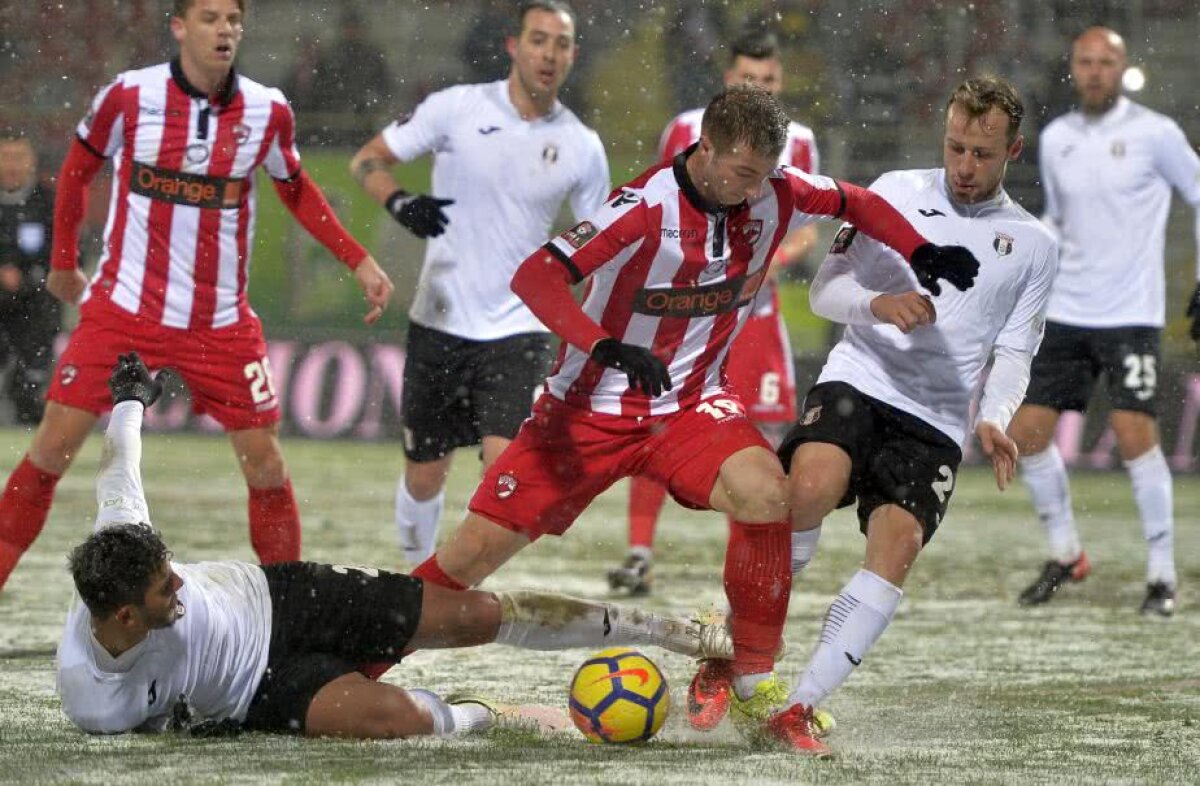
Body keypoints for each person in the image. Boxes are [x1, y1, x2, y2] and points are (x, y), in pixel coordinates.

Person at [402, 84, 980, 741]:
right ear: (704, 149)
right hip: (587, 410)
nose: (750, 189)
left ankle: (754, 684)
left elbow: (857, 201)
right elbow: (536, 275)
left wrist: (920, 252)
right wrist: (605, 346)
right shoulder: (643, 207)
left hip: (690, 404)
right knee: (471, 555)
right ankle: (366, 651)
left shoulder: (776, 190)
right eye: (739, 173)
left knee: (768, 494)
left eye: (762, 175)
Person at [57, 353, 747, 737]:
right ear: (122, 617)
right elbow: (152, 719)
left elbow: (120, 465)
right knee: (397, 720)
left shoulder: (121, 545)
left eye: (172, 569)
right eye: (163, 588)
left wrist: (128, 400)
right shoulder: (94, 705)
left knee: (474, 615)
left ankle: (685, 634)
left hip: (287, 600)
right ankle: (487, 714)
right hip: (258, 696)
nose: (180, 581)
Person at [704, 76, 1056, 755]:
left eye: (982, 154)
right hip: (860, 380)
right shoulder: (894, 191)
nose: (965, 166)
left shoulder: (1033, 244)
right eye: (955, 147)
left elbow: (1016, 347)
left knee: (897, 548)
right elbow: (829, 288)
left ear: (1012, 150)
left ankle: (795, 709)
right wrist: (880, 306)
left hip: (938, 418)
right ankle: (729, 646)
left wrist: (997, 416)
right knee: (802, 494)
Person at [0, 0, 395, 593]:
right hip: (125, 308)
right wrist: (62, 263)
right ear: (180, 27)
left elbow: (297, 190)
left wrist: (357, 259)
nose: (225, 30)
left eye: (234, 20)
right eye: (210, 18)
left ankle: (285, 612)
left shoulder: (267, 110)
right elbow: (79, 172)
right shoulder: (130, 96)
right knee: (52, 448)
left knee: (265, 464)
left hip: (220, 321)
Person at [349, 0, 609, 567]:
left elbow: (601, 245)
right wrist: (401, 202)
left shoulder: (583, 146)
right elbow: (366, 161)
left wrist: (580, 310)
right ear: (515, 47)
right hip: (439, 320)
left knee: (505, 467)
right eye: (539, 40)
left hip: (519, 328)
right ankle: (417, 578)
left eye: (561, 44)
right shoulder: (456, 108)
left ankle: (455, 583)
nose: (549, 54)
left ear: (572, 57)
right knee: (424, 476)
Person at [609, 29, 822, 596]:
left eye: (771, 80)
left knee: (760, 435)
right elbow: (662, 204)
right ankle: (637, 554)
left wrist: (769, 259)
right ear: (730, 80)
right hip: (688, 311)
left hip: (754, 311)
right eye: (751, 79)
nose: (762, 88)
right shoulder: (685, 129)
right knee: (655, 420)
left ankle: (746, 573)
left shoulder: (799, 141)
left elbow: (805, 232)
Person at [1008, 27, 1200, 617]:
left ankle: (1162, 578)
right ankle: (1066, 554)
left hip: (1131, 314)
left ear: (1122, 68)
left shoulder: (1155, 134)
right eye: (1085, 62)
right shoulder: (1059, 136)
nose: (1095, 72)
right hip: (1066, 311)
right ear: (1073, 67)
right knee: (1024, 435)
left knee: (1138, 436)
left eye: (1106, 62)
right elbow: (1059, 219)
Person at [0, 132, 59, 425]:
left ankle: (29, 446)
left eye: (18, 156)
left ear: (32, 161)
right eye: (6, 156)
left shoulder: (48, 201)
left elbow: (67, 252)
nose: (12, 164)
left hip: (36, 307)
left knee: (29, 384)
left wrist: (30, 277)